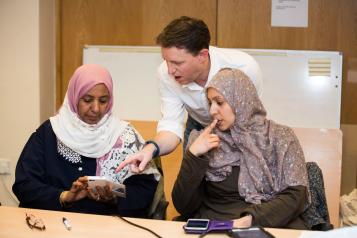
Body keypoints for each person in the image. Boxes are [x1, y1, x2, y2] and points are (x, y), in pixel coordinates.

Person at [117, 16, 263, 173]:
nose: (170, 70)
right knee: (192, 183)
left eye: (177, 63)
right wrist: (149, 149)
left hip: (237, 127)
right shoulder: (165, 73)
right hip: (197, 125)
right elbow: (171, 126)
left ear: (202, 56)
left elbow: (249, 120)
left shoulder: (244, 68)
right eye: (166, 61)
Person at [12, 64, 160, 217]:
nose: (96, 108)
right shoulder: (50, 133)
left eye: (103, 101)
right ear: (74, 97)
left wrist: (115, 194)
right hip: (55, 224)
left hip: (108, 227)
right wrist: (64, 197)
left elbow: (145, 192)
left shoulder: (124, 136)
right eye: (87, 100)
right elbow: (25, 185)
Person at [172, 68, 310, 229]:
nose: (212, 110)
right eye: (210, 103)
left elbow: (295, 196)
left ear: (241, 100)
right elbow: (183, 206)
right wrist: (193, 155)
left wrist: (249, 220)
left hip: (272, 224)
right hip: (217, 225)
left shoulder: (281, 137)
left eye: (220, 102)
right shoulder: (203, 140)